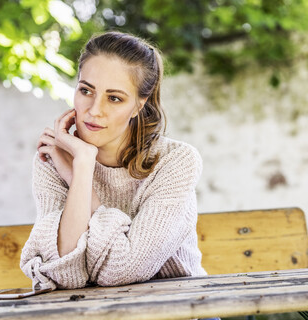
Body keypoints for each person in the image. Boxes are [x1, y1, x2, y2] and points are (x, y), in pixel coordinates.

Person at [20, 32, 215, 318]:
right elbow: (62, 272)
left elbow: (125, 270)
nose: (94, 111)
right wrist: (83, 164)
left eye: (114, 98)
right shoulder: (54, 159)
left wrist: (78, 178)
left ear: (139, 104)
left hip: (181, 313)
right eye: (86, 90)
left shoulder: (175, 162)